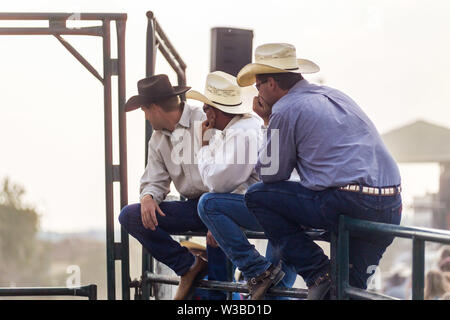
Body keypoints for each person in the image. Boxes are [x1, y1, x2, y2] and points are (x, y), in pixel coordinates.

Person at [238, 43, 403, 299]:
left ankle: (316, 270)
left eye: (257, 85)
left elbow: (271, 174)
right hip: (390, 204)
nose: (256, 92)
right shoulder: (335, 95)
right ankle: (327, 282)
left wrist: (267, 121)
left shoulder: (285, 109)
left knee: (257, 196)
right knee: (347, 291)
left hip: (348, 201)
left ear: (271, 83)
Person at [186, 71, 297, 300]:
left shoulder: (241, 133)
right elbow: (234, 182)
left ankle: (256, 269)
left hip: (275, 211)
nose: (205, 112)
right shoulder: (242, 129)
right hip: (282, 209)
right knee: (277, 293)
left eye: (207, 107)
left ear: (212, 110)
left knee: (207, 205)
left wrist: (204, 145)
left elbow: (219, 182)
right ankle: (258, 271)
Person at [118, 74, 228, 300]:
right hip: (192, 207)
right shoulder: (157, 139)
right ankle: (189, 265)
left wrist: (220, 216)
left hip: (220, 205)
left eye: (145, 111)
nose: (146, 117)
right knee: (131, 216)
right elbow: (154, 180)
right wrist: (148, 196)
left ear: (154, 107)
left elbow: (230, 174)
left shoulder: (205, 122)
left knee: (219, 289)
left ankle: (213, 289)